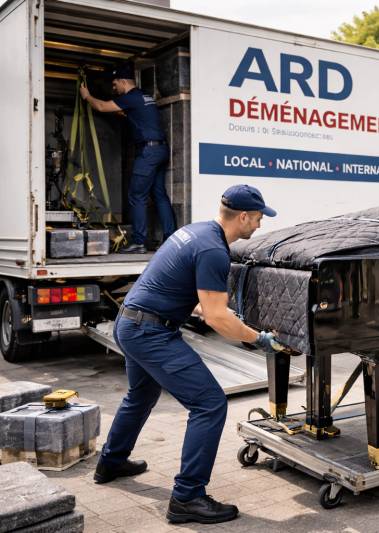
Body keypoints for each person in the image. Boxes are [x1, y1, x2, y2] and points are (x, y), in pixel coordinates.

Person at [94, 184, 285, 524]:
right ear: (242, 216)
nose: (258, 226)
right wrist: (259, 338)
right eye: (256, 219)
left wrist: (219, 314)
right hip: (149, 332)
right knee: (209, 404)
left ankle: (111, 462)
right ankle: (188, 497)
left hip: (130, 321)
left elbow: (190, 297)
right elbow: (216, 317)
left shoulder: (194, 231)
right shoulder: (214, 250)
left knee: (141, 395)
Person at [80, 63, 175, 253]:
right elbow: (135, 116)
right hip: (160, 150)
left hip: (148, 152)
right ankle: (170, 238)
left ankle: (139, 242)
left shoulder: (130, 97)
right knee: (159, 195)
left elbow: (100, 106)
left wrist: (87, 96)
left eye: (115, 85)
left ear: (123, 82)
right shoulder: (143, 97)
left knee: (136, 195)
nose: (114, 89)